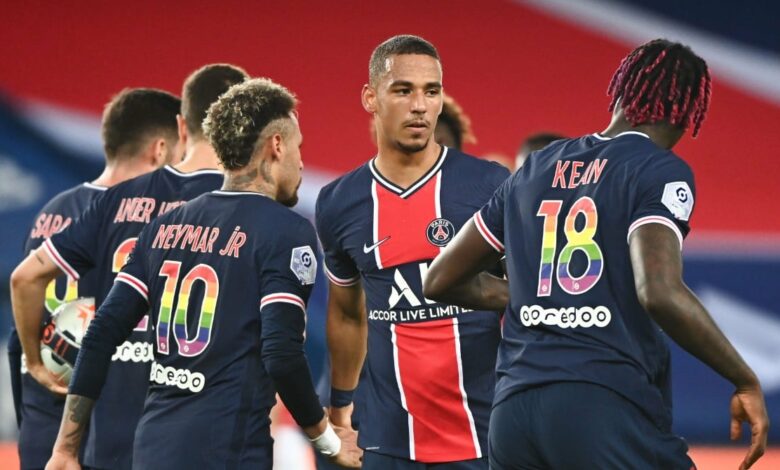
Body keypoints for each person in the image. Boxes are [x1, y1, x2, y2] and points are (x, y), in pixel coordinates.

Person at [423, 39, 769, 470]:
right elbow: (659, 291)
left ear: (622, 92)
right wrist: (744, 379)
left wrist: (535, 298)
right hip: (600, 402)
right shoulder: (659, 170)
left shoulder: (536, 167)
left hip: (512, 414)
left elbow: (439, 278)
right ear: (688, 113)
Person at [44, 77, 362, 470]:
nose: (300, 162)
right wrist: (327, 440)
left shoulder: (164, 227)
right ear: (277, 145)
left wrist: (65, 449)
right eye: (299, 147)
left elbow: (99, 335)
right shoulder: (286, 232)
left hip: (152, 448)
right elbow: (282, 356)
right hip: (226, 450)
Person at [10, 63, 247, 470]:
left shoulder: (62, 209)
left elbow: (26, 292)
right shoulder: (223, 207)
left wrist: (33, 364)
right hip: (161, 417)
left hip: (63, 412)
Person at [316, 34, 509, 469]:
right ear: (371, 98)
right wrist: (340, 408)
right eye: (403, 90)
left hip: (485, 436)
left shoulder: (491, 186)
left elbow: (528, 297)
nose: (419, 106)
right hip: (387, 441)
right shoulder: (339, 203)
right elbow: (347, 315)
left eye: (431, 91)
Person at [7, 87, 181, 470]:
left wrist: (34, 368)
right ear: (160, 150)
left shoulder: (52, 210)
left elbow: (21, 329)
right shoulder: (143, 217)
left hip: (42, 419)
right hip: (102, 429)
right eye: (181, 153)